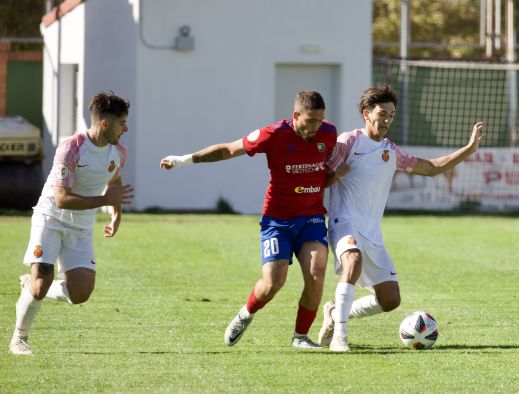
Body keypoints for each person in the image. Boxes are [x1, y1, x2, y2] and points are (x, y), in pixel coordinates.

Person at [160, 91, 338, 349]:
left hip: (311, 217)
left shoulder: (328, 134)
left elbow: (328, 172)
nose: (316, 126)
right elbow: (228, 150)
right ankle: (246, 314)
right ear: (296, 115)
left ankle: (300, 336)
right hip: (277, 220)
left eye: (320, 120)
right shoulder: (274, 134)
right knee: (272, 284)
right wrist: (184, 160)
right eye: (311, 120)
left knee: (316, 273)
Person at [318, 86, 486, 352]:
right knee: (353, 261)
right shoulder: (348, 142)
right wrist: (336, 175)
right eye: (382, 114)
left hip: (372, 234)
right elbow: (321, 179)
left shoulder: (390, 152)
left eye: (391, 115)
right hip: (344, 223)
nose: (387, 120)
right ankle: (339, 337)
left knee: (390, 300)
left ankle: (335, 312)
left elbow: (431, 169)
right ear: (366, 114)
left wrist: (468, 149)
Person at [8, 91, 134, 356]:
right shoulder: (71, 148)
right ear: (104, 124)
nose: (126, 128)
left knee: (81, 293)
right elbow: (62, 199)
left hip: (82, 225)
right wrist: (103, 201)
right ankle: (19, 339)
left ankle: (29, 285)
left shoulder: (119, 152)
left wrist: (116, 213)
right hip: (51, 218)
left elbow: (113, 180)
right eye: (122, 122)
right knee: (42, 283)